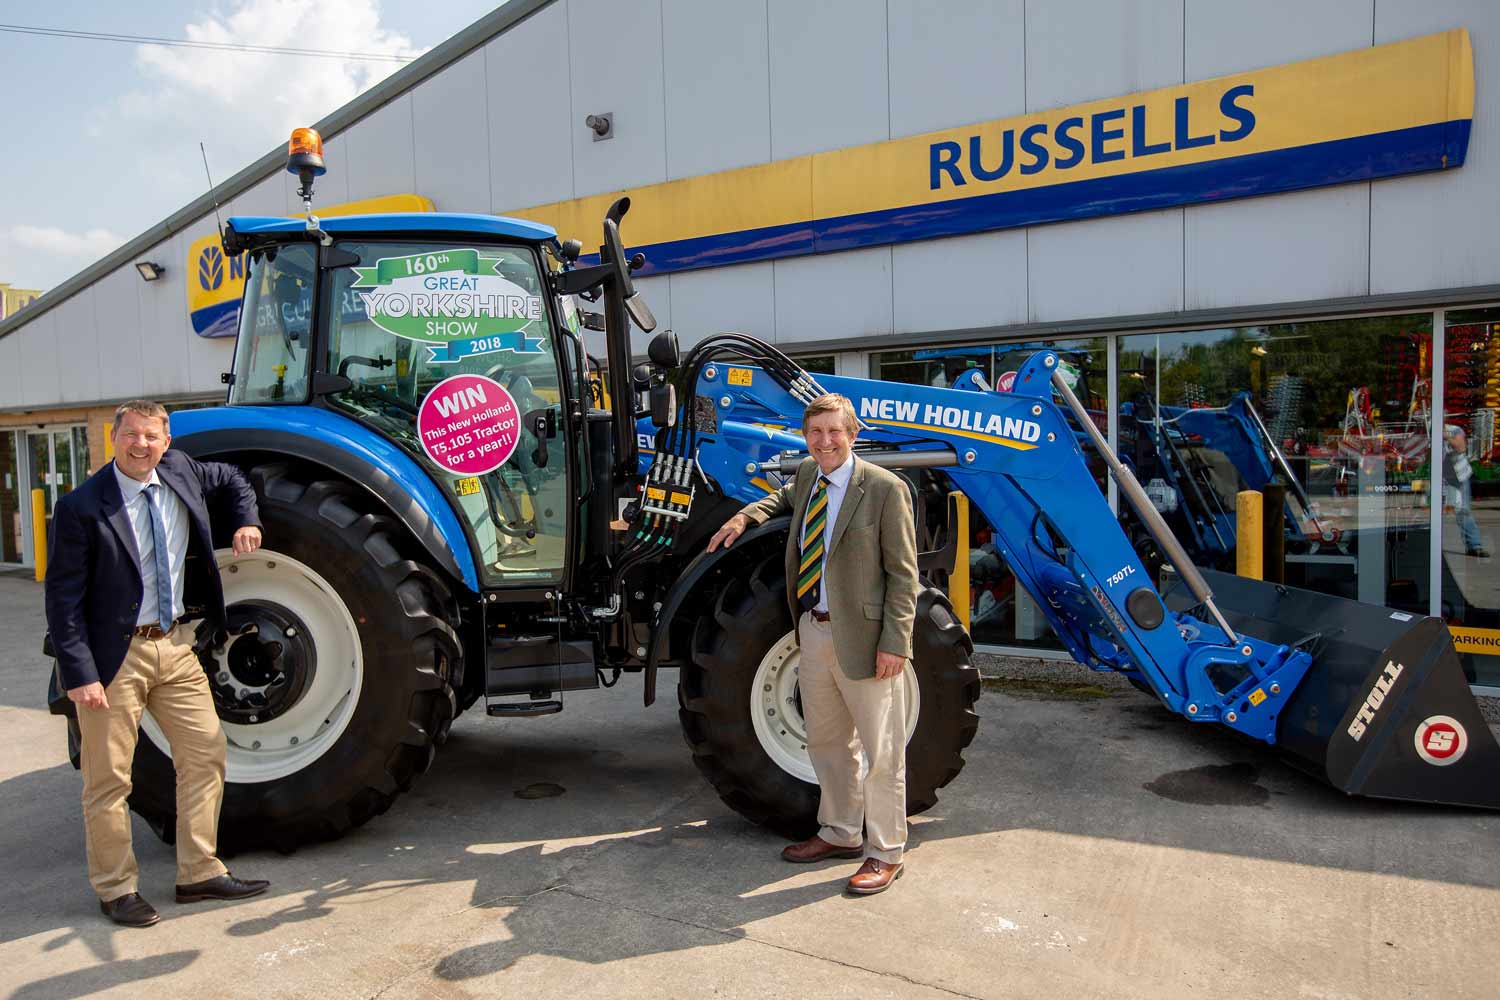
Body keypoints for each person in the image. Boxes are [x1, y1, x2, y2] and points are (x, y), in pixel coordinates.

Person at [44, 400, 271, 928]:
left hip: (174, 645)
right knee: (108, 780)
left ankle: (197, 871)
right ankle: (116, 888)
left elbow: (235, 479)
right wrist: (79, 675)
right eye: (131, 435)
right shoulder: (82, 508)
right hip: (112, 658)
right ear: (113, 437)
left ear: (166, 442)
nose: (141, 444)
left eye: (151, 435)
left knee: (206, 753)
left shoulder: (181, 470)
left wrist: (246, 521)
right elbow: (63, 602)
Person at [708, 393, 918, 895]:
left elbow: (904, 576)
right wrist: (744, 517)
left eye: (834, 432)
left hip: (866, 640)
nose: (825, 442)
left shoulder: (885, 490)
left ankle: (886, 851)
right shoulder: (808, 476)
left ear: (853, 433)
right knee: (827, 742)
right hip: (814, 631)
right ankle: (842, 831)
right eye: (815, 433)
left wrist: (896, 643)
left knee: (882, 752)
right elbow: (777, 500)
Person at [1443, 424, 1488, 558]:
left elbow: (1461, 447)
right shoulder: (1426, 434)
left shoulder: (1454, 430)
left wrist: (1445, 437)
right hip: (1443, 478)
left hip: (1458, 477)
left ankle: (1474, 545)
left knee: (1463, 510)